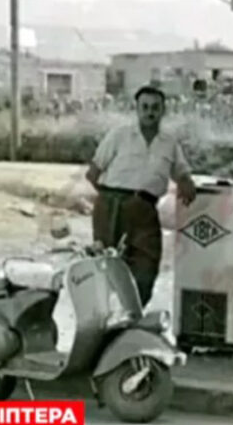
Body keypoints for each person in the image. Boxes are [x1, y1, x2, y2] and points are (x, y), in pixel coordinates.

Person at [86, 86, 197, 307]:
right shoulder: (119, 135)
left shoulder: (169, 143)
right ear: (137, 109)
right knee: (107, 267)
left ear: (163, 110)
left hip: (146, 210)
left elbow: (182, 173)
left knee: (147, 267)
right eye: (144, 107)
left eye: (155, 107)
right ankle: (106, 320)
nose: (150, 112)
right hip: (113, 206)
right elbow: (93, 173)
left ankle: (132, 316)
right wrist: (112, 199)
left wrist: (186, 183)